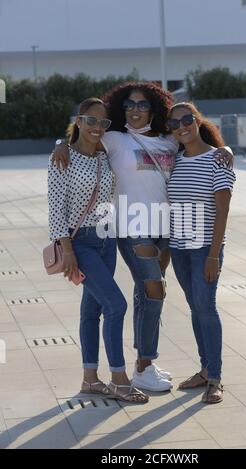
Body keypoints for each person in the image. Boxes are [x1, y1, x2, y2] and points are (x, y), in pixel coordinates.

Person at [52, 82, 233, 392]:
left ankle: (140, 363)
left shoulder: (168, 139)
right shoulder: (114, 138)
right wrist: (60, 142)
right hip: (133, 228)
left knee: (146, 294)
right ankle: (144, 366)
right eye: (129, 105)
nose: (135, 110)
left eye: (142, 105)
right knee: (154, 290)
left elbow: (199, 146)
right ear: (121, 108)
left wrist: (225, 149)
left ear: (154, 109)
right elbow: (84, 134)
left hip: (168, 230)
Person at [48, 97, 148, 403]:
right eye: (90, 120)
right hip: (80, 243)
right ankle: (119, 378)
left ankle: (90, 380)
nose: (96, 127)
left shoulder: (105, 156)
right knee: (116, 305)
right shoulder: (62, 158)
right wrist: (69, 252)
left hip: (107, 240)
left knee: (91, 310)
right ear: (78, 120)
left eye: (103, 122)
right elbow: (55, 210)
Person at [167, 102, 236, 404]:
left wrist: (212, 255)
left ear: (197, 121)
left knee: (206, 308)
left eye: (186, 120)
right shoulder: (175, 160)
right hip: (179, 249)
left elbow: (223, 210)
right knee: (195, 307)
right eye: (174, 123)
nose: (181, 126)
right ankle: (205, 369)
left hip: (204, 249)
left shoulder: (217, 159)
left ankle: (217, 379)